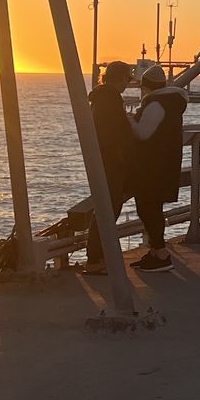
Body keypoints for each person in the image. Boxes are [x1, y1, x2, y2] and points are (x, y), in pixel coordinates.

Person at [127, 61, 189, 273]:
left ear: (146, 86)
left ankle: (161, 254)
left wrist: (129, 120)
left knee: (147, 208)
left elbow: (143, 134)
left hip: (152, 166)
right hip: (165, 163)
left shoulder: (155, 104)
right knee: (152, 208)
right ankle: (155, 252)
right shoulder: (171, 102)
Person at [81, 60, 137, 275]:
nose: (128, 83)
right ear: (121, 78)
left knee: (107, 207)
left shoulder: (101, 97)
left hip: (106, 159)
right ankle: (95, 258)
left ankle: (98, 256)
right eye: (128, 79)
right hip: (111, 161)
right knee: (108, 208)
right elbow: (112, 133)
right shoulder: (110, 99)